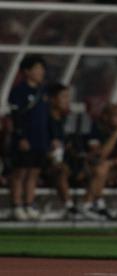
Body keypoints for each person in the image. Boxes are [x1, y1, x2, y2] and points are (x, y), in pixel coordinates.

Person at [8, 55, 49, 221]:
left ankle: (29, 204)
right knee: (20, 172)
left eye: (42, 69)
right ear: (27, 71)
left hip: (40, 138)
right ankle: (17, 205)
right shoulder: (19, 91)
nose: (41, 72)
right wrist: (21, 136)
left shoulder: (42, 91)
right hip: (25, 138)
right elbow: (16, 116)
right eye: (37, 69)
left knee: (34, 172)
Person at [82, 104, 117, 220]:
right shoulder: (95, 129)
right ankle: (93, 205)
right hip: (88, 168)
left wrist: (113, 163)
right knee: (102, 167)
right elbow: (100, 155)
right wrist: (115, 136)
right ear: (105, 117)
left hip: (110, 167)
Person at [46, 82, 76, 218]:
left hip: (68, 161)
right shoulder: (44, 119)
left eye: (68, 97)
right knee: (61, 170)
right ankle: (69, 207)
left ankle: (93, 205)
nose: (67, 100)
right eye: (64, 96)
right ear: (53, 99)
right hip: (45, 163)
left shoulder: (68, 120)